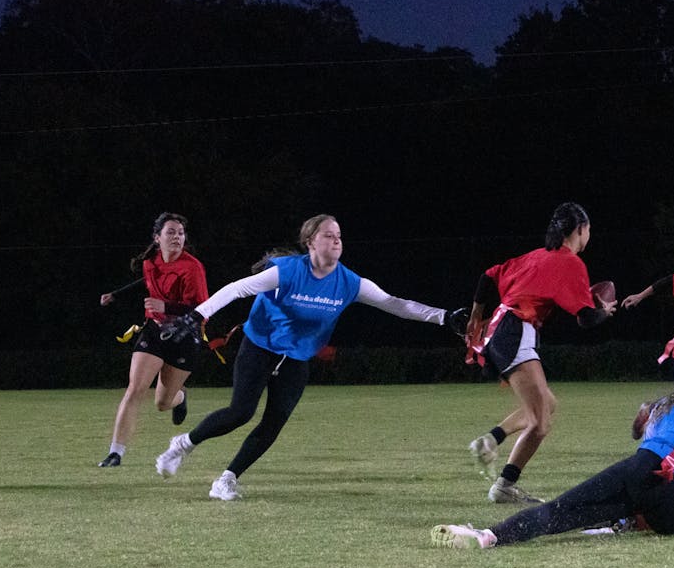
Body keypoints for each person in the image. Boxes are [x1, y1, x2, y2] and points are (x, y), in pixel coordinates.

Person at [152, 214, 465, 500]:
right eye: (328, 235)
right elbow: (236, 289)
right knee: (240, 412)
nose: (336, 240)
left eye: (339, 235)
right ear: (310, 242)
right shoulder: (287, 271)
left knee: (274, 422)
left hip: (298, 357)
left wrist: (443, 316)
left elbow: (396, 304)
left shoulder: (349, 282)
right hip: (260, 344)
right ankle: (182, 445)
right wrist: (196, 316)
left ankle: (227, 479)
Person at [431, 363, 674, 549]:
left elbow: (646, 446)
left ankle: (488, 536)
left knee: (560, 512)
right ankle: (636, 517)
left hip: (643, 468)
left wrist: (638, 489)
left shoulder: (670, 402)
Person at [463, 202, 617, 505]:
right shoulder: (570, 262)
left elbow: (487, 276)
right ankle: (505, 486)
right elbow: (585, 319)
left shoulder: (535, 256)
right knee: (541, 421)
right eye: (588, 230)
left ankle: (491, 440)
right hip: (516, 330)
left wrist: (475, 316)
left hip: (501, 330)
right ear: (580, 230)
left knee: (546, 403)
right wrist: (605, 312)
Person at [97, 212, 209, 468]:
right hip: (155, 331)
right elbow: (146, 280)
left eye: (180, 233)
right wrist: (115, 294)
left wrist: (166, 305)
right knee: (135, 388)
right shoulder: (151, 262)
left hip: (184, 336)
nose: (177, 237)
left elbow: (203, 307)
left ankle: (180, 397)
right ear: (158, 238)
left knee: (162, 403)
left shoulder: (193, 267)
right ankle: (116, 452)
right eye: (171, 232)